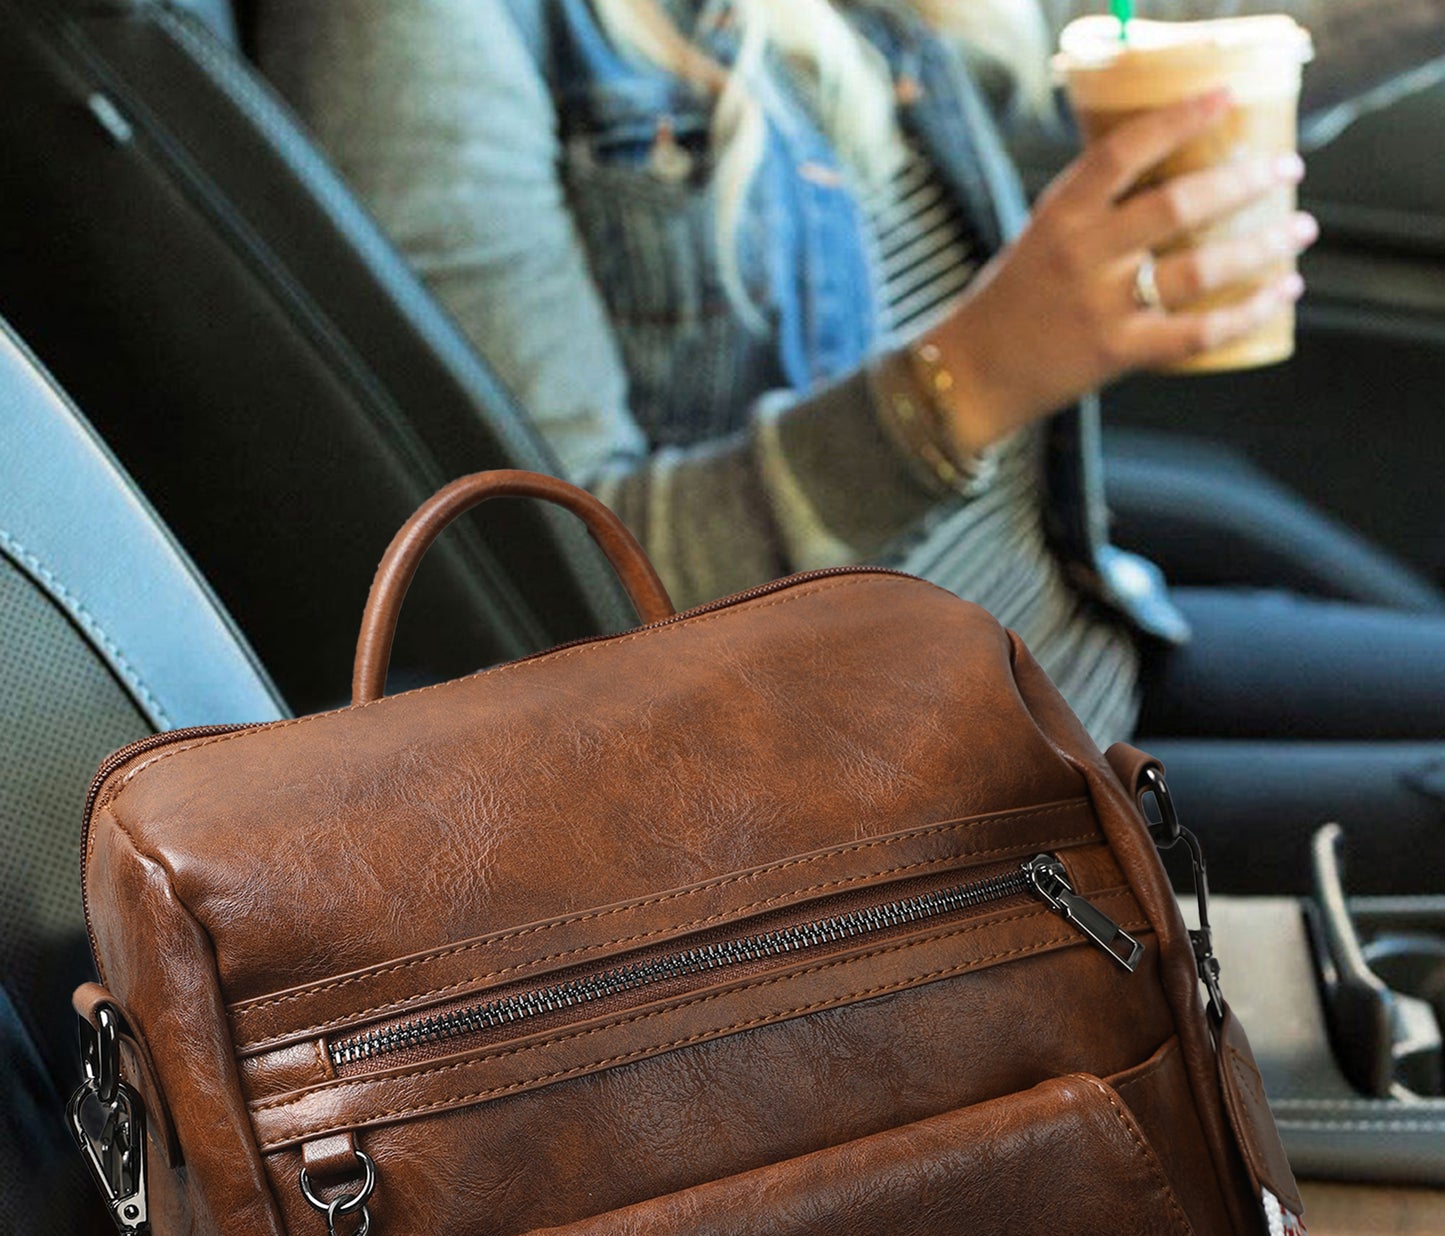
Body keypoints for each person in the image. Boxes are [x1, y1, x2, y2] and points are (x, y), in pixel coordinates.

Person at [255, 0, 1445, 763]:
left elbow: (1145, 31)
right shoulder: (416, 28)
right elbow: (558, 587)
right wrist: (971, 376)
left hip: (1071, 647)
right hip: (890, 801)